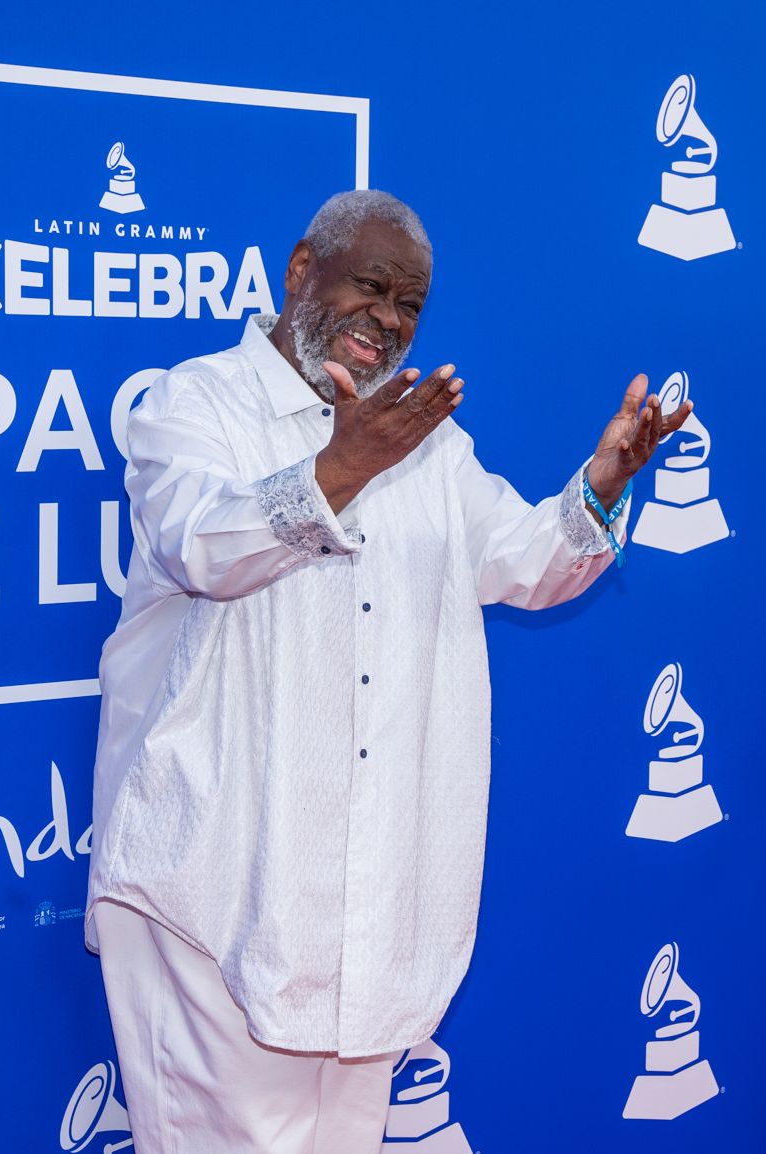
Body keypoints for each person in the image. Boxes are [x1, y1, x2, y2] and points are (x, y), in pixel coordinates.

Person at [83, 189, 690, 1152]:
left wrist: (603, 481)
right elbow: (198, 545)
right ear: (299, 271)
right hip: (212, 885)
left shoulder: (426, 446)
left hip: (362, 905)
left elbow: (526, 565)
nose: (392, 321)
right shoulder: (193, 403)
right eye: (373, 288)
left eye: (410, 305)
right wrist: (337, 471)